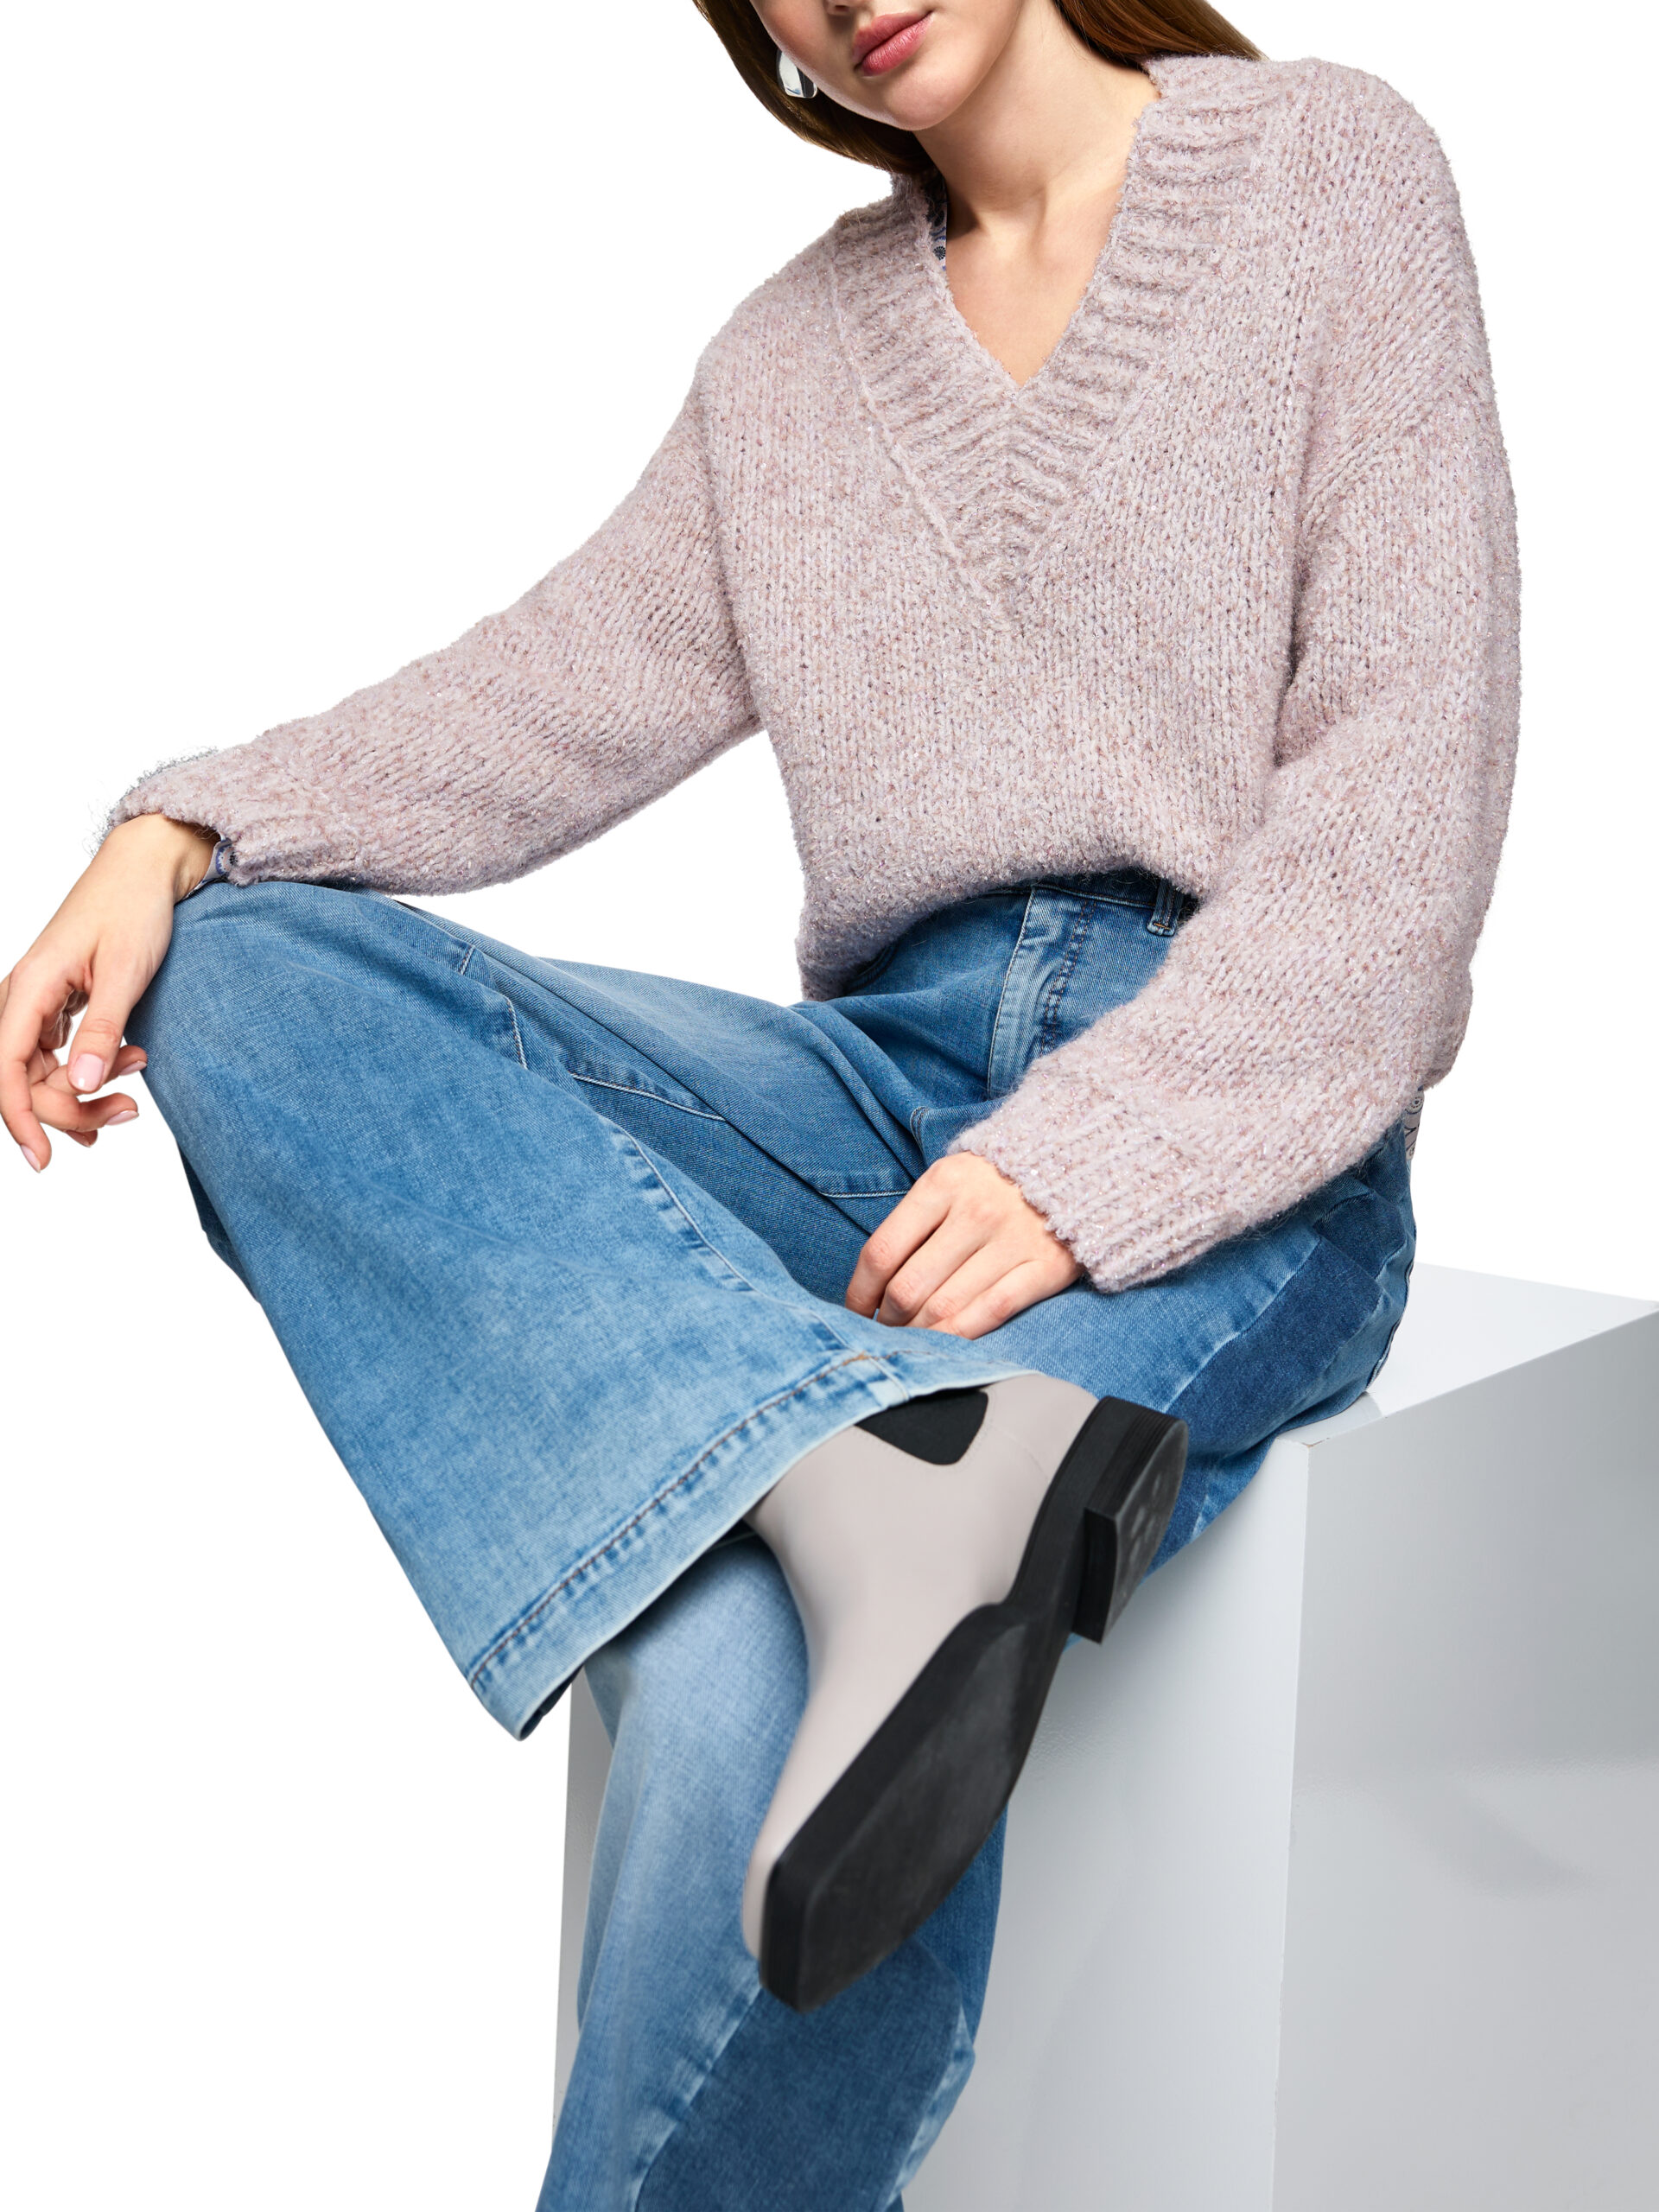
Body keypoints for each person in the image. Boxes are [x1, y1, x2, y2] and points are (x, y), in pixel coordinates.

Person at [0, 0, 1516, 2204]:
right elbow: (524, 706)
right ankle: (850, 1464)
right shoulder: (788, 373)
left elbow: (1401, 817)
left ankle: (845, 1492)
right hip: (870, 1094)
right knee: (243, 965)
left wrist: (1090, 1163)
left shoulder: (1328, 178)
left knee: (748, 1670)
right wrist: (178, 826)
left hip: (1242, 1133)